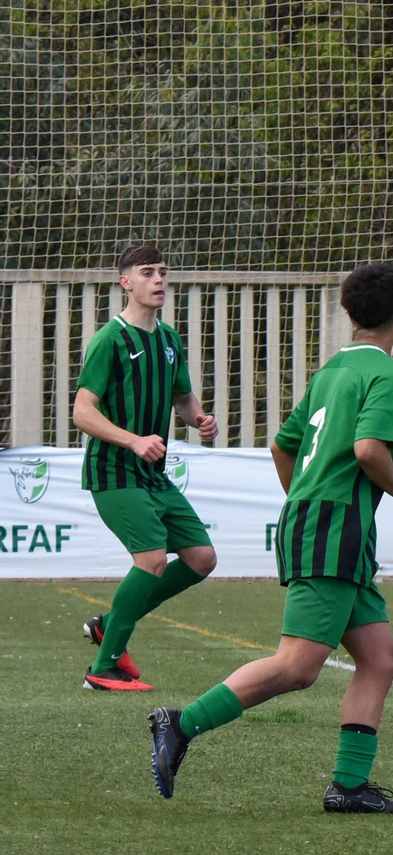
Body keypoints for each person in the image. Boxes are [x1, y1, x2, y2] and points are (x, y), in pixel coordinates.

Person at [149, 263, 393, 812]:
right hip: (335, 526)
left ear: (350, 314)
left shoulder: (333, 370)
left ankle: (348, 787)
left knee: (379, 658)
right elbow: (369, 451)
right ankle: (181, 723)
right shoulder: (389, 375)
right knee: (298, 666)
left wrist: (302, 498)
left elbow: (282, 444)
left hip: (323, 521)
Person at [75, 244, 219, 692]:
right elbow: (82, 412)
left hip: (153, 476)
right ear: (125, 282)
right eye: (147, 273)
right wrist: (133, 440)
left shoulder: (170, 340)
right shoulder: (110, 339)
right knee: (153, 560)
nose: (159, 280)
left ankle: (109, 623)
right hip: (113, 471)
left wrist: (199, 418)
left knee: (201, 558)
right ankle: (103, 669)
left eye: (162, 272)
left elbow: (182, 397)